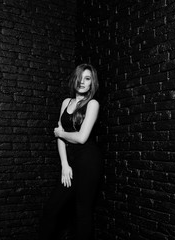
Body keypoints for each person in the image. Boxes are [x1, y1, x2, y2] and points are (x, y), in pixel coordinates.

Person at [40, 63, 103, 240]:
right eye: (80, 77)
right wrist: (64, 165)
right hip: (71, 161)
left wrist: (60, 132)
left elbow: (82, 138)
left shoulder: (93, 104)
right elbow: (60, 139)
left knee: (82, 211)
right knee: (52, 208)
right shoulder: (66, 103)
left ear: (92, 83)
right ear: (74, 79)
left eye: (88, 78)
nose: (83, 82)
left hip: (89, 161)